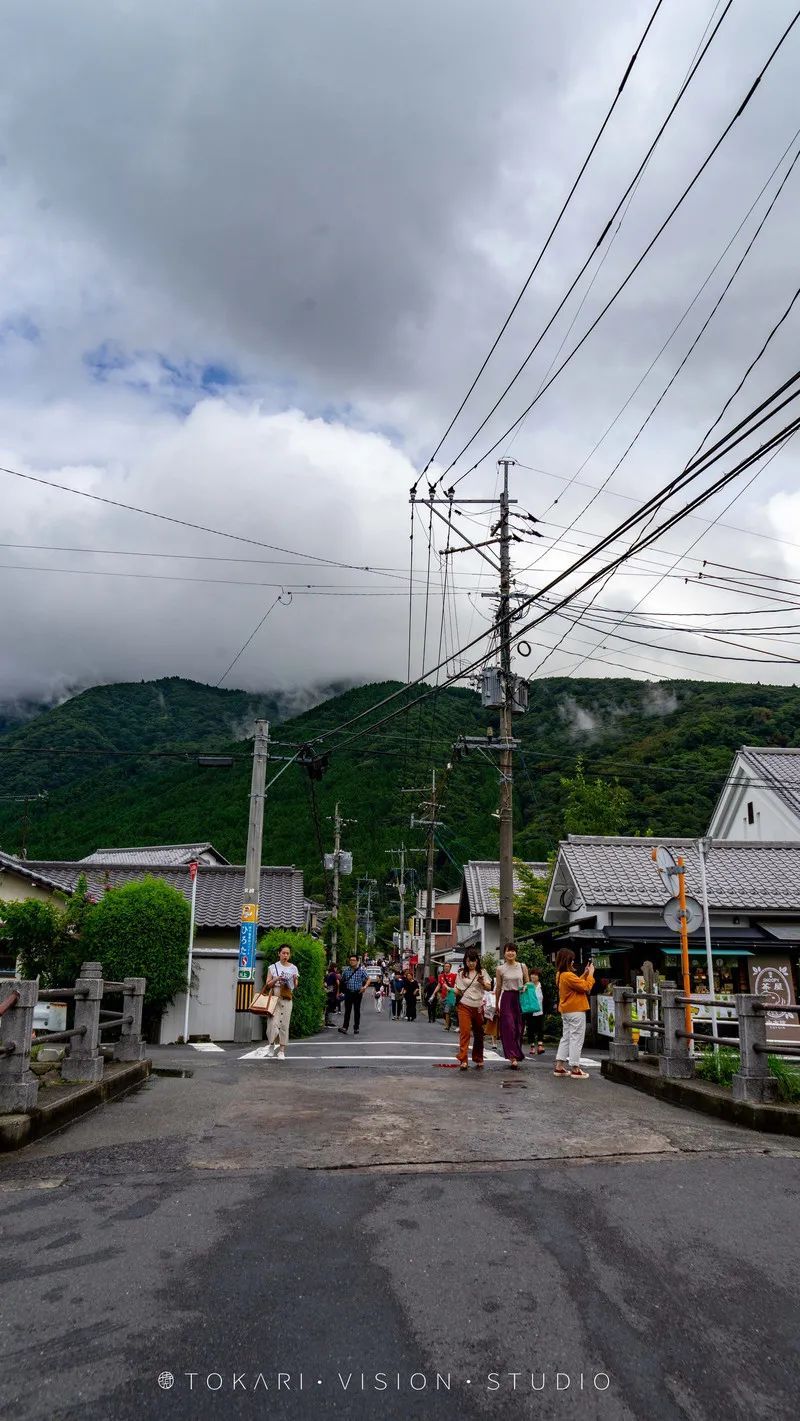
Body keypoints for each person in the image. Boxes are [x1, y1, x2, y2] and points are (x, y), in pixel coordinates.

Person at [553, 947, 595, 1079]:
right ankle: (575, 1068)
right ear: (567, 960)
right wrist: (591, 975)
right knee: (576, 1038)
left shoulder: (560, 975)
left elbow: (577, 985)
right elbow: (585, 987)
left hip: (566, 1010)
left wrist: (585, 974)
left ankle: (559, 1066)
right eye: (571, 960)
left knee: (566, 1037)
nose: (573, 962)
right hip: (576, 1010)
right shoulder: (568, 975)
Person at [454, 947, 492, 1071]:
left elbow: (489, 987)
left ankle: (478, 1057)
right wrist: (453, 991)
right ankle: (463, 1059)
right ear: (465, 961)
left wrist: (482, 982)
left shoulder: (483, 972)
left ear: (477, 961)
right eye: (469, 961)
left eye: (473, 961)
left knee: (479, 1033)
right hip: (464, 1005)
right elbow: (458, 990)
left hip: (478, 1006)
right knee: (465, 1032)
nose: (471, 963)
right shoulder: (461, 973)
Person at [495, 942, 529, 1069]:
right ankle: (512, 1056)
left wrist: (525, 987)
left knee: (519, 1027)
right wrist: (496, 1004)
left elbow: (528, 982)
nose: (511, 953)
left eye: (513, 951)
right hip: (506, 998)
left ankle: (517, 1052)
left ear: (516, 953)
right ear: (504, 953)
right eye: (508, 951)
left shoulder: (522, 966)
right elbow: (498, 987)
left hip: (520, 998)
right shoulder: (500, 969)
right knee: (509, 1027)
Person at [265, 944, 299, 1060]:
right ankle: (271, 1045)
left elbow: (295, 986)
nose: (285, 955)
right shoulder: (272, 967)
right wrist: (277, 979)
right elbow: (268, 984)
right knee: (273, 1023)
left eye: (287, 953)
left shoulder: (293, 968)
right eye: (283, 953)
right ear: (279, 953)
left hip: (287, 997)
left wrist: (293, 979)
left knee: (284, 1025)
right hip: (275, 997)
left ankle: (281, 1051)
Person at [338, 956, 369, 1035]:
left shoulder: (361, 970)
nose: (351, 961)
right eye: (350, 960)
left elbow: (369, 979)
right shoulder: (346, 970)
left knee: (357, 1010)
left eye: (353, 960)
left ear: (357, 961)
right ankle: (345, 1027)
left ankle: (356, 1027)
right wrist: (340, 992)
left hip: (358, 993)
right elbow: (342, 981)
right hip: (348, 992)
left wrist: (364, 987)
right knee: (347, 1010)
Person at [525, 969, 546, 1056]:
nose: (533, 976)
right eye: (532, 974)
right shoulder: (528, 985)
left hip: (540, 1010)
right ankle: (532, 1046)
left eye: (535, 975)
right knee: (531, 1029)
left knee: (540, 1027)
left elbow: (546, 998)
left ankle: (540, 1045)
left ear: (539, 977)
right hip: (530, 1011)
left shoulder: (542, 986)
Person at [438, 962, 456, 1031]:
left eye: (448, 966)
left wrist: (454, 993)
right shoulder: (441, 976)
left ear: (450, 967)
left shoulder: (454, 976)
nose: (446, 967)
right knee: (444, 1011)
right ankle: (449, 1022)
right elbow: (439, 985)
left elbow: (456, 985)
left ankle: (446, 1026)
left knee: (447, 1011)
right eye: (445, 966)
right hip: (443, 995)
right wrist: (434, 994)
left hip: (451, 995)